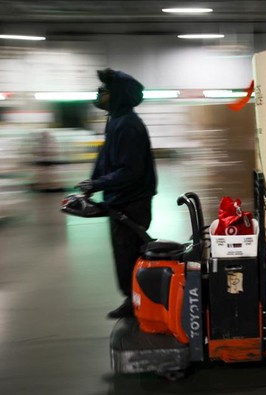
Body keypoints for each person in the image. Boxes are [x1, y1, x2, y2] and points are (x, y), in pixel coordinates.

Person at [77, 68, 157, 319]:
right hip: (120, 199)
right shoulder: (115, 121)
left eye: (104, 91)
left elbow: (130, 170)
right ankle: (132, 299)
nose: (99, 94)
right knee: (123, 252)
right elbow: (105, 160)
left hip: (132, 201)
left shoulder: (128, 125)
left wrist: (99, 184)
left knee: (129, 252)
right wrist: (93, 182)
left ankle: (136, 302)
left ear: (117, 94)